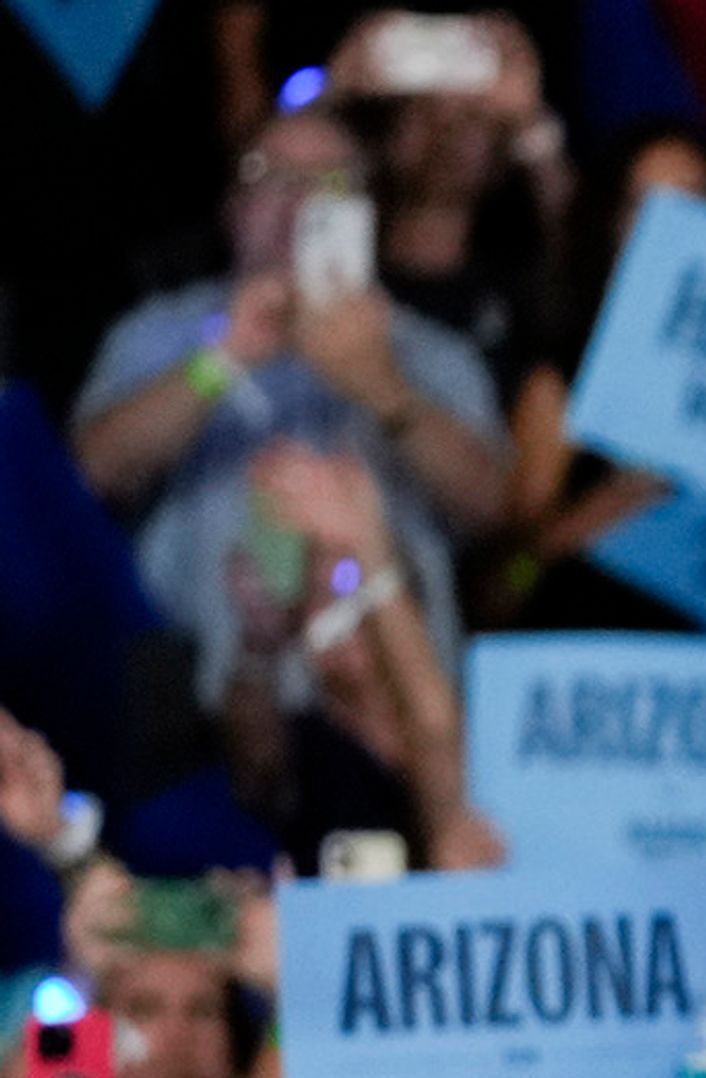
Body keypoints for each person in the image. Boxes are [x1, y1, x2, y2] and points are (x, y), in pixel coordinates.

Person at [70, 107, 510, 693]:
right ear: (232, 207)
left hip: (389, 718)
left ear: (368, 212)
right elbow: (84, 475)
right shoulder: (158, 333)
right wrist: (222, 359)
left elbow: (495, 512)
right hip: (195, 712)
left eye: (328, 183)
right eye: (269, 177)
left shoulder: (431, 352)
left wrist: (385, 389)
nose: (296, 201)